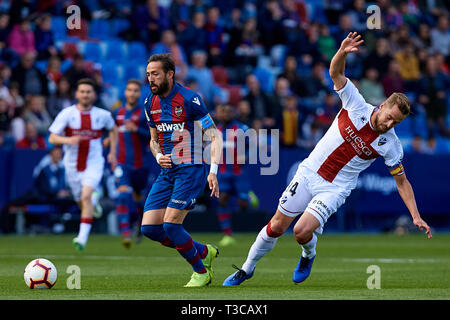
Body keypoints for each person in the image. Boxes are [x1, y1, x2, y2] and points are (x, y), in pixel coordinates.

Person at [223, 32, 432, 287]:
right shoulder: (356, 103)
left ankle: (308, 254)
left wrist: (415, 215)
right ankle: (246, 269)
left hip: (335, 188)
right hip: (309, 172)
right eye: (389, 117)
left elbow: (402, 182)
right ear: (382, 106)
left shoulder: (391, 145)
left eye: (396, 123)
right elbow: (336, 75)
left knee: (301, 232)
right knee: (276, 226)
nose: (390, 124)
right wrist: (341, 52)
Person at [141, 53, 222, 287]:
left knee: (170, 225)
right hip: (167, 171)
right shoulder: (150, 103)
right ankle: (203, 252)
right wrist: (157, 156)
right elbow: (153, 139)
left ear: (170, 73)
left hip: (191, 168)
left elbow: (214, 136)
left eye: (155, 74)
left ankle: (201, 272)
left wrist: (213, 171)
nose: (151, 79)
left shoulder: (190, 99)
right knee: (150, 228)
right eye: (148, 75)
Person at [48, 78, 117, 251]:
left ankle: (82, 238)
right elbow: (52, 137)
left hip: (93, 163)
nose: (85, 95)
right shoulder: (67, 114)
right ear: (76, 94)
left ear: (93, 95)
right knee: (82, 201)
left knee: (85, 196)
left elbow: (113, 129)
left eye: (89, 92)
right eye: (82, 91)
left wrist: (112, 152)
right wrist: (68, 139)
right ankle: (94, 204)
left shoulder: (102, 115)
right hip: (72, 165)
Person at [113, 79, 151, 248]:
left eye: (136, 90)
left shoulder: (144, 114)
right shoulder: (117, 112)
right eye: (130, 90)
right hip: (123, 164)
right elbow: (113, 132)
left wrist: (137, 130)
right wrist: (110, 147)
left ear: (139, 93)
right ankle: (125, 233)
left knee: (139, 200)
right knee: (122, 195)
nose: (132, 93)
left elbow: (152, 136)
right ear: (125, 92)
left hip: (140, 165)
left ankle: (138, 224)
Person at [214, 103, 251, 247]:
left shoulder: (242, 129)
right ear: (219, 114)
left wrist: (246, 156)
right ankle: (227, 234)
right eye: (223, 111)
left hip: (239, 172)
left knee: (243, 205)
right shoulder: (215, 130)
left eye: (229, 111)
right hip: (223, 172)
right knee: (222, 200)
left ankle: (249, 197)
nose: (226, 114)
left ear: (234, 113)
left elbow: (253, 147)